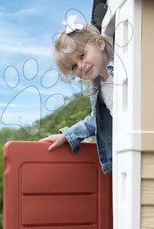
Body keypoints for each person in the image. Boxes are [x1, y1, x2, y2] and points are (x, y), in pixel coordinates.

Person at [40, 15, 114, 174]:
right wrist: (68, 136)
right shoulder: (99, 88)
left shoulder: (122, 71)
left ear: (100, 44)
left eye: (82, 55)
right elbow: (96, 120)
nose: (81, 65)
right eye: (74, 66)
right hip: (124, 149)